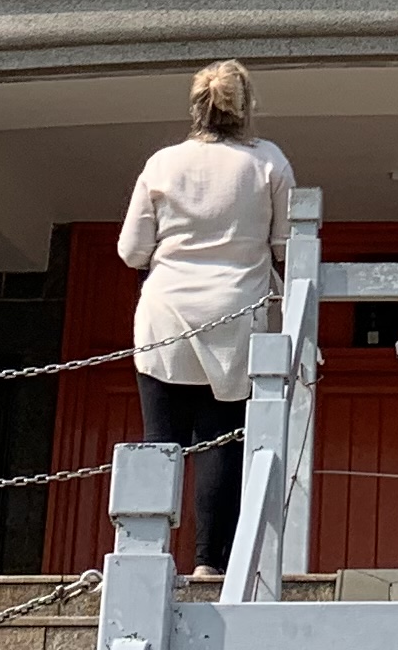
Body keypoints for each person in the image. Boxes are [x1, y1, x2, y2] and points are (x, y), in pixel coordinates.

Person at [116, 60, 296, 583]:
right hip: (236, 317)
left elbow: (131, 251)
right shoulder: (267, 162)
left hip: (165, 317)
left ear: (195, 106)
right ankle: (207, 562)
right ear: (246, 106)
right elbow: (285, 245)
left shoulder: (163, 163)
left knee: (160, 439)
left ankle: (145, 553)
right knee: (220, 442)